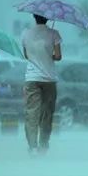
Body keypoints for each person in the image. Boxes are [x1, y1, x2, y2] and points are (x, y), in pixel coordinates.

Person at [21, 14, 62, 156]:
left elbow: (26, 55)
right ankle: (43, 144)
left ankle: (32, 146)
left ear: (34, 17)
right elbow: (58, 56)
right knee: (47, 113)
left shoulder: (25, 33)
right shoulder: (54, 34)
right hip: (49, 78)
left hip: (31, 77)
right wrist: (47, 54)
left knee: (32, 112)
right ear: (48, 18)